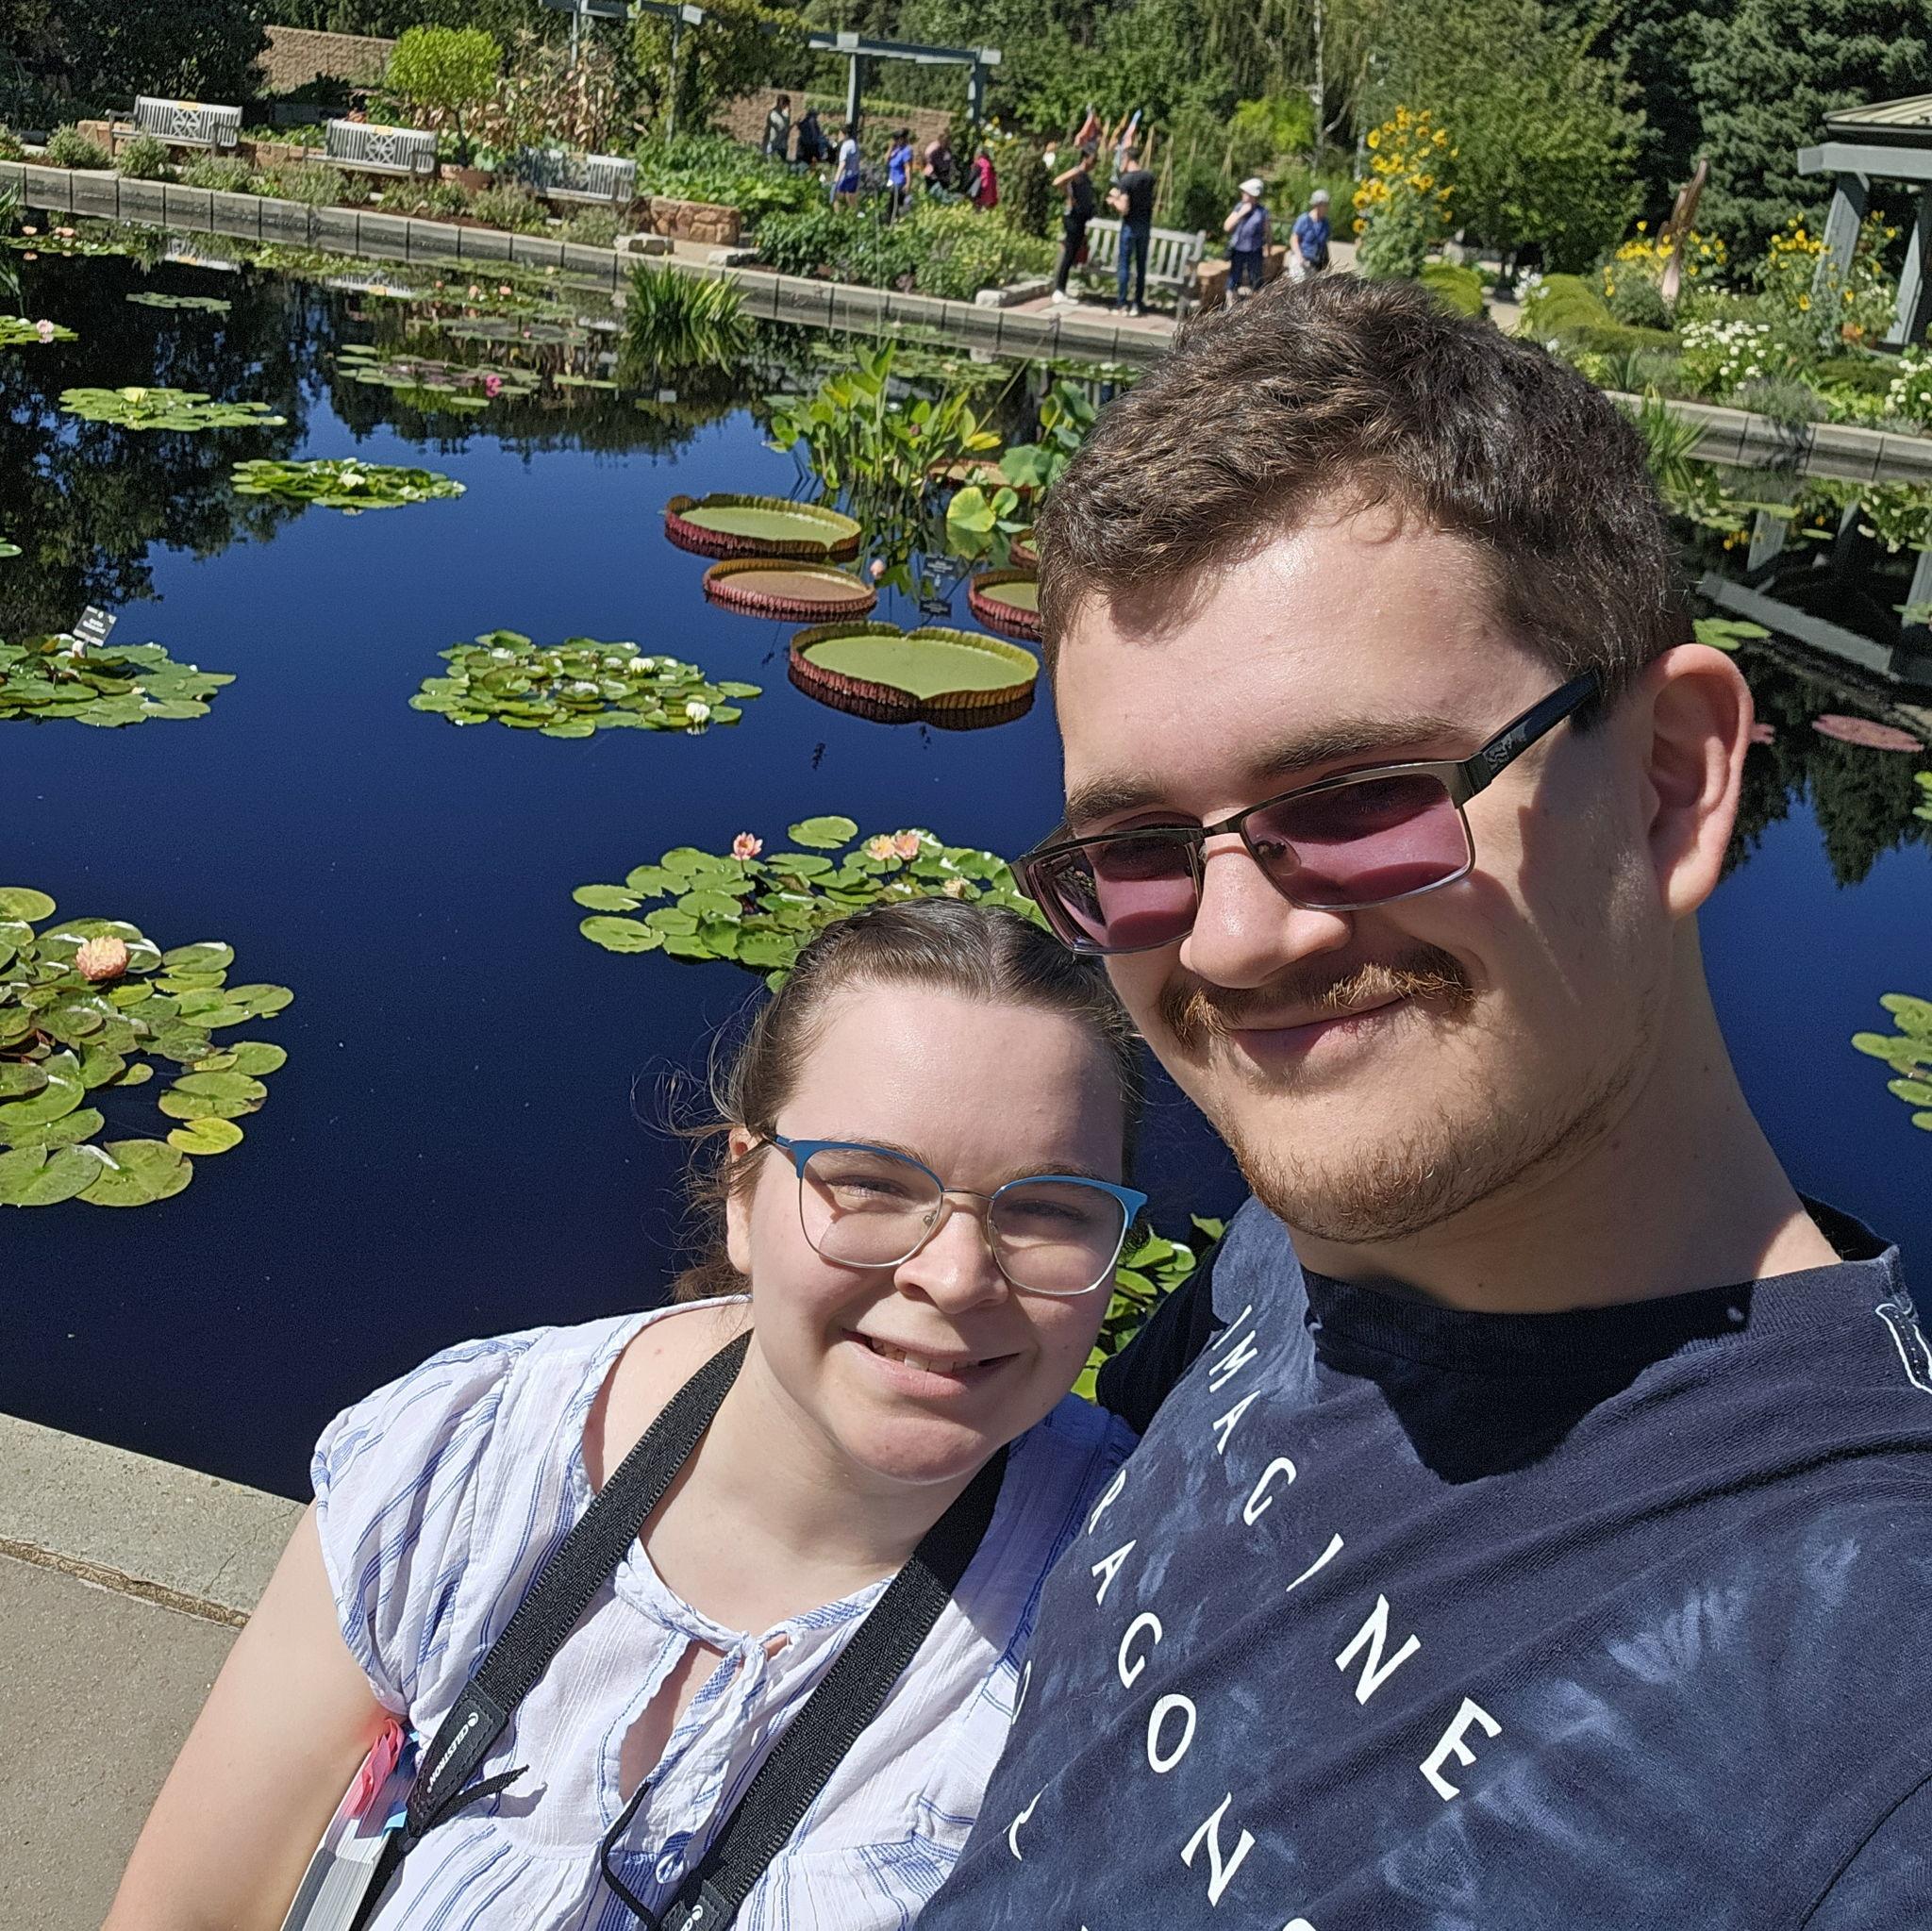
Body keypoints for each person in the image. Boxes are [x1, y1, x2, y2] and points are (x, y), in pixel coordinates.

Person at [920, 276, 1932, 1927]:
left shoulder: (1866, 1723)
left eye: (1364, 801)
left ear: (1671, 778)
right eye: (1132, 853)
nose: (1235, 943)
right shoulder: (1295, 1234)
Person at [102, 899, 1147, 1931]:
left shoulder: (1141, 1592)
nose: (956, 1275)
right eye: (870, 1182)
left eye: (1050, 1207)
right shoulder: (467, 1461)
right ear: (744, 1192)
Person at [1107, 142, 1157, 315]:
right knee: (1141, 266)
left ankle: (1122, 304)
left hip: (1129, 227)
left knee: (1125, 265)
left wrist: (1114, 200)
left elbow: (1124, 208)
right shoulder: (1149, 177)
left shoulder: (1126, 180)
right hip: (1145, 226)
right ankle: (1137, 303)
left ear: (1127, 158)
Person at [1051, 144, 1097, 305]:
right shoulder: (1077, 172)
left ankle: (1061, 289)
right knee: (1069, 253)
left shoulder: (1086, 178)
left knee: (1072, 255)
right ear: (1086, 158)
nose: (1095, 163)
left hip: (1080, 219)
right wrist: (1068, 194)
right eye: (1093, 159)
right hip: (1073, 218)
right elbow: (1057, 182)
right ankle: (1059, 289)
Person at [1223, 175, 1271, 304]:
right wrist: (1241, 214)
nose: (1243, 194)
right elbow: (1227, 227)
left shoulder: (1262, 212)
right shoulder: (1239, 207)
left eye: (1245, 192)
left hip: (1254, 251)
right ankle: (1230, 306)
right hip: (1238, 250)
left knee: (1256, 280)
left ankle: (1255, 307)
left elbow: (1267, 233)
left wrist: (1268, 252)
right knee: (1233, 279)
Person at [1290, 183, 1331, 279]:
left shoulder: (1325, 223)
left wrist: (1326, 262)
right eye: (1325, 205)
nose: (1327, 208)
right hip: (1301, 260)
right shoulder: (1304, 219)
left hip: (1315, 263)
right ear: (1317, 205)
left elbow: (1324, 244)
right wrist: (1299, 257)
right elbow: (1294, 239)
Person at [829, 119, 861, 211]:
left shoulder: (845, 146)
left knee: (836, 197)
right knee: (851, 199)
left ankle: (838, 217)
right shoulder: (854, 144)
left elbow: (842, 164)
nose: (839, 136)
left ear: (845, 134)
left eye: (840, 134)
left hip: (846, 176)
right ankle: (855, 217)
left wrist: (836, 179)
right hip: (854, 175)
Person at [886, 126, 914, 222]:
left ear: (901, 139)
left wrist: (908, 184)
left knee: (893, 206)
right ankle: (892, 222)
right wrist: (890, 148)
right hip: (892, 180)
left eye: (896, 139)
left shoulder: (906, 151)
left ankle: (893, 224)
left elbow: (908, 168)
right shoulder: (896, 149)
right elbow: (886, 159)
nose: (894, 141)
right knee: (891, 205)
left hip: (900, 182)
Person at [923, 130, 957, 199]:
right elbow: (938, 165)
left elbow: (950, 161)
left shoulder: (948, 151)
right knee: (931, 195)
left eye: (949, 142)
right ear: (942, 141)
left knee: (938, 196)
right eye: (946, 142)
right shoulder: (936, 152)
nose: (948, 143)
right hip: (932, 175)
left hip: (942, 177)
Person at [966, 142, 998, 213]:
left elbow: (973, 176)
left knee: (978, 203)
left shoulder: (979, 163)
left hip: (982, 189)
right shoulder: (989, 164)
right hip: (990, 191)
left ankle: (978, 212)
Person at [794, 105, 828, 169]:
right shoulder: (812, 121)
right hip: (808, 149)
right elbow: (814, 137)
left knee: (799, 166)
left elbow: (798, 125)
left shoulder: (804, 121)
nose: (816, 117)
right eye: (816, 115)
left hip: (801, 149)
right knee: (806, 167)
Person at [762, 92, 791, 164]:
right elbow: (783, 129)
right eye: (787, 105)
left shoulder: (779, 114)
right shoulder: (774, 114)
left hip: (779, 146)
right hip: (773, 146)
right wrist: (787, 116)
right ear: (783, 104)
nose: (789, 107)